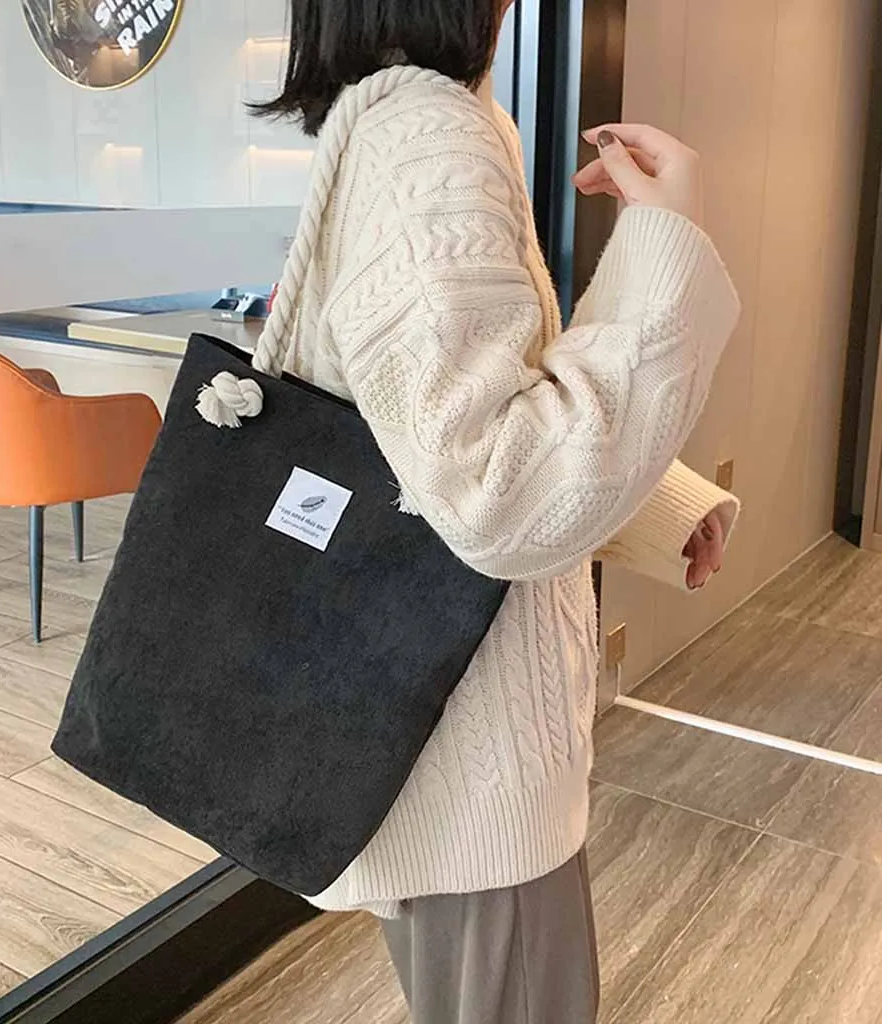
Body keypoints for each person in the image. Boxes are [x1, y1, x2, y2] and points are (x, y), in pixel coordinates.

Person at [255, 2, 740, 1021]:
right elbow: (499, 491)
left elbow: (433, 433)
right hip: (473, 754)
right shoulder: (429, 132)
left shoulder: (406, 118)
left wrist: (657, 502)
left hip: (445, 730)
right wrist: (668, 242)